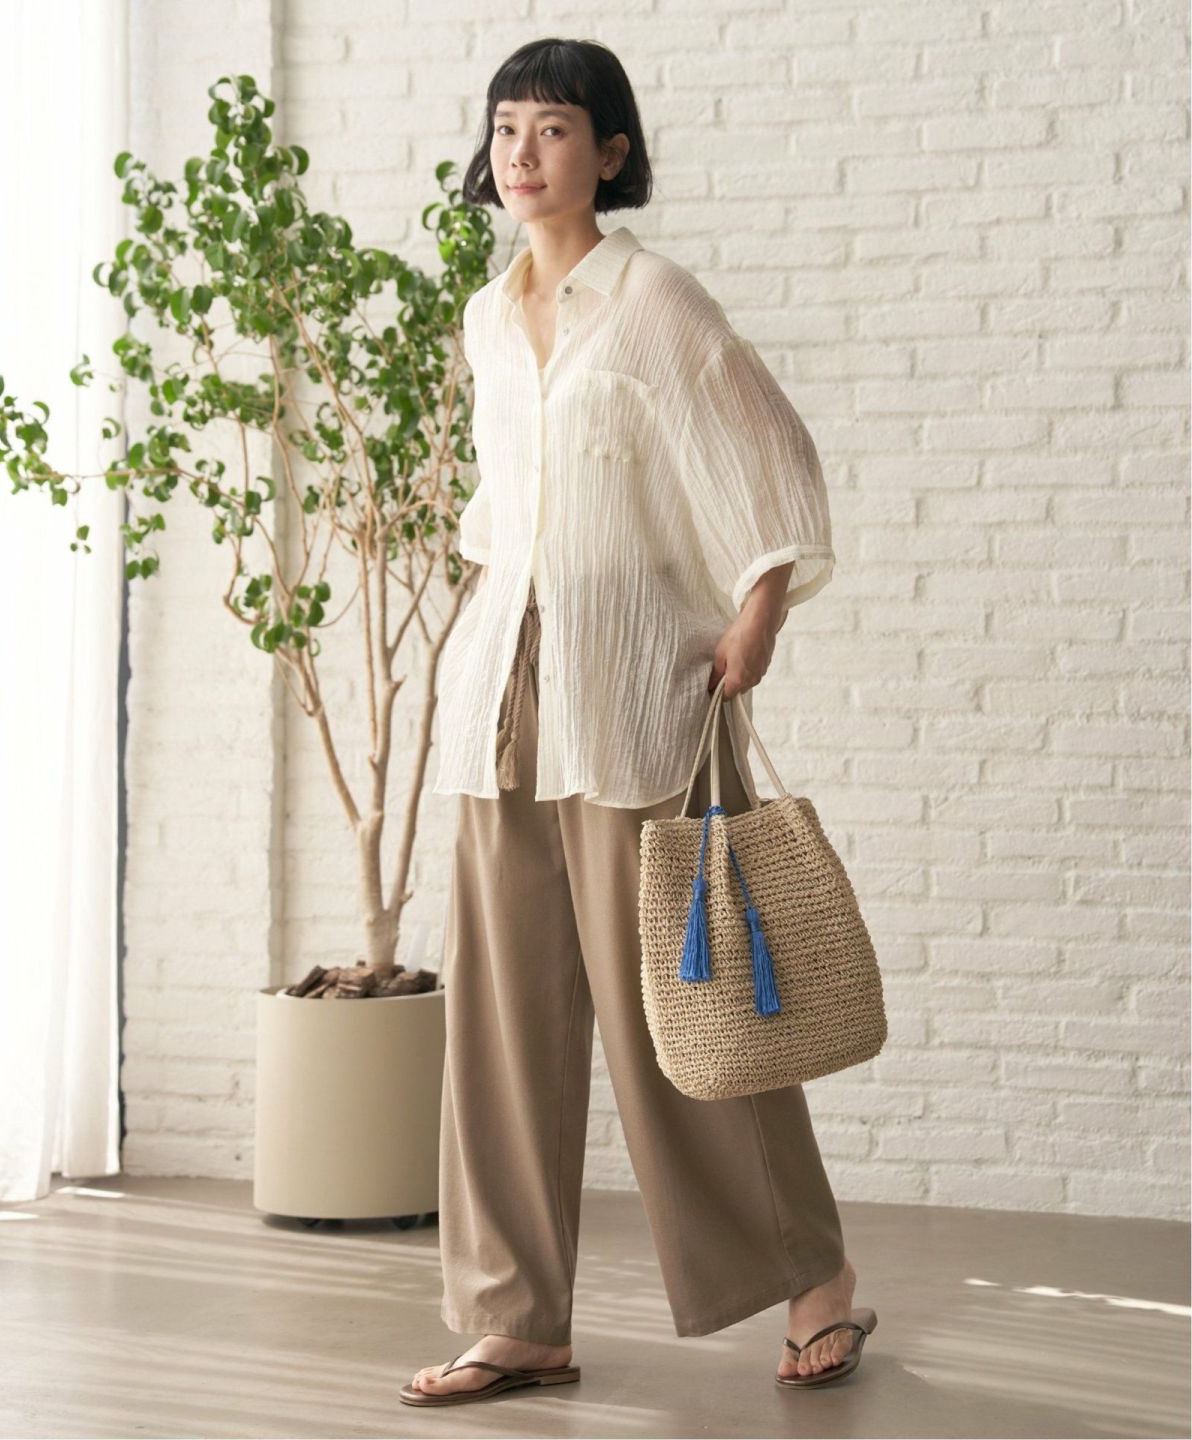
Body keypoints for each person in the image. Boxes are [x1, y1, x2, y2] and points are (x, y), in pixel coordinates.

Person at [400, 36, 875, 1408]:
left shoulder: (655, 300)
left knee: (694, 1006)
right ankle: (516, 1318)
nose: (522, 152)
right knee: (502, 1028)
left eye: (553, 128)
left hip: (638, 687)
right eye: (507, 127)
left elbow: (769, 454)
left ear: (609, 152)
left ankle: (817, 1280)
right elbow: (503, 504)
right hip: (504, 688)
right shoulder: (488, 316)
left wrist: (757, 613)